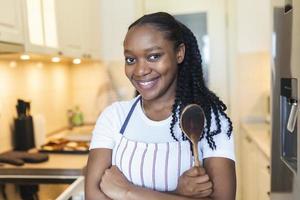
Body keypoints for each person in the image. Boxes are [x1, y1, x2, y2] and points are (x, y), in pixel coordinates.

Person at [85, 12, 236, 200]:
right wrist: (177, 194)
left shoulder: (208, 120)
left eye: (154, 56)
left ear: (179, 53)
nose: (140, 70)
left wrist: (127, 192)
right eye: (131, 59)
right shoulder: (114, 117)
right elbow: (93, 196)